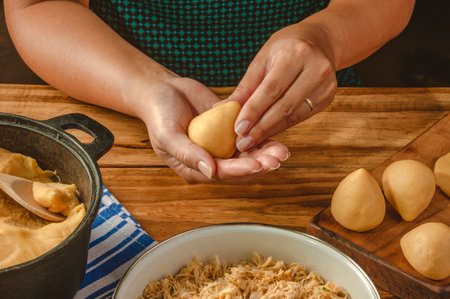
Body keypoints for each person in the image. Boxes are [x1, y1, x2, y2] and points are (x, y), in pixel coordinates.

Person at [4, 0, 415, 183]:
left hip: (317, 108)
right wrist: (147, 88)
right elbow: (38, 4)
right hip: (118, 106)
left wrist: (325, 37)